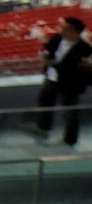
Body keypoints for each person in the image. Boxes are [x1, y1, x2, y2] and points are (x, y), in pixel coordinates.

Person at [35, 17, 90, 147]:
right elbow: (47, 49)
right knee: (44, 101)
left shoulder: (85, 49)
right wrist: (46, 56)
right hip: (51, 78)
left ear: (73, 31)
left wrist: (54, 64)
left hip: (69, 85)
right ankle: (43, 127)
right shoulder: (57, 38)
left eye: (64, 28)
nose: (60, 30)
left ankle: (69, 139)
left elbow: (73, 68)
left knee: (70, 112)